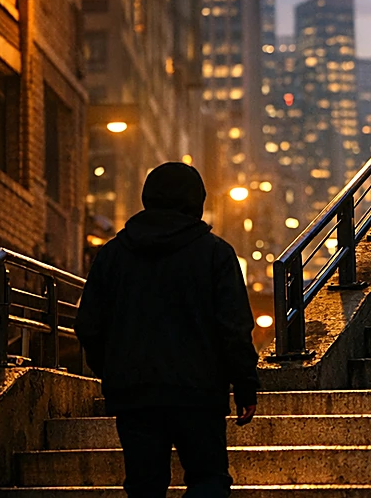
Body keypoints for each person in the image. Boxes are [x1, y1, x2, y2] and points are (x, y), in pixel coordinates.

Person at [75, 162, 259, 498]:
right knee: (208, 480)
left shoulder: (113, 255)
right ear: (196, 202)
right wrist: (245, 386)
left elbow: (89, 324)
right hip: (199, 393)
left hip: (134, 394)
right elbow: (233, 327)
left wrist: (113, 371)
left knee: (144, 487)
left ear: (148, 198)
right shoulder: (216, 253)